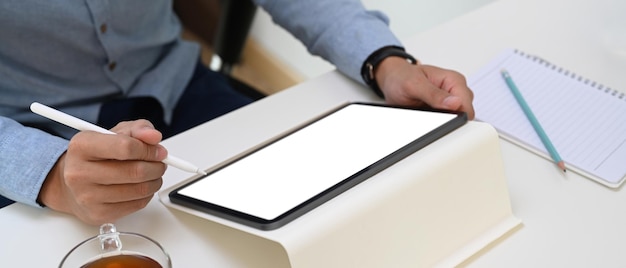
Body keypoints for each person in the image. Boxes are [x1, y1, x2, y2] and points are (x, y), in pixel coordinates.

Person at [0, 0, 474, 225]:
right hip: (31, 130)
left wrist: (382, 60)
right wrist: (49, 174)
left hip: (174, 81)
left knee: (316, 209)